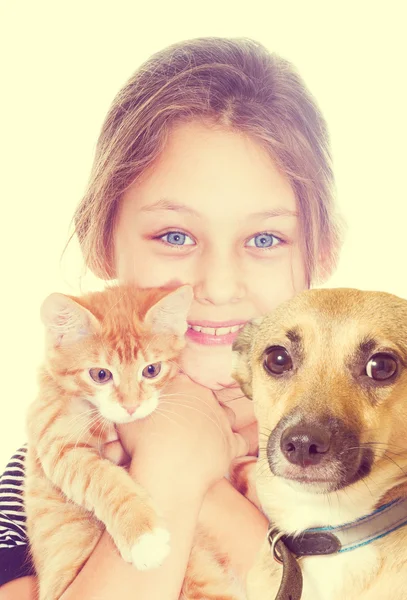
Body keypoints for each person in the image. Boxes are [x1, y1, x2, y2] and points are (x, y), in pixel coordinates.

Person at [0, 36, 342, 599]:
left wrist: (197, 487)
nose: (217, 286)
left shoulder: (381, 456)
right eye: (175, 235)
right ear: (101, 242)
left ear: (321, 253)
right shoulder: (34, 479)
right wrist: (170, 469)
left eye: (264, 237)